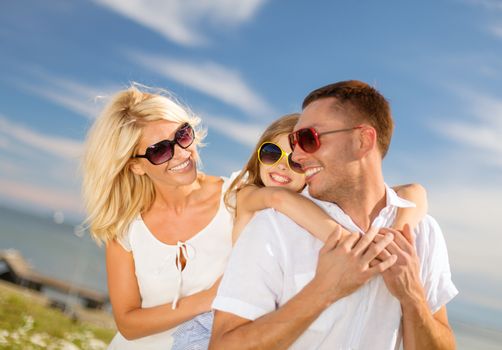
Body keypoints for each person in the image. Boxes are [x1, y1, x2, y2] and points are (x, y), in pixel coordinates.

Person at [210, 80, 458, 349]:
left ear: (362, 139)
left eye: (308, 139)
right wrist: (324, 290)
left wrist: (414, 299)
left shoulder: (423, 233)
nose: (298, 154)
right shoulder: (272, 227)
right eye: (295, 141)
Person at [172, 113, 427, 349]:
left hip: (272, 328)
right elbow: (281, 200)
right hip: (215, 331)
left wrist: (391, 235)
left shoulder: (318, 208)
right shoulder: (251, 195)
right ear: (258, 155)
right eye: (272, 153)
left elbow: (414, 191)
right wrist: (355, 245)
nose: (282, 167)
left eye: (295, 162)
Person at [82, 85, 234, 349]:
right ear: (136, 166)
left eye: (183, 135)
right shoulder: (125, 227)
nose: (182, 153)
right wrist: (209, 298)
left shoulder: (236, 198)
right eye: (160, 150)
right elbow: (128, 324)